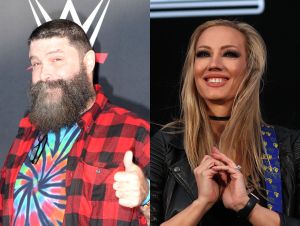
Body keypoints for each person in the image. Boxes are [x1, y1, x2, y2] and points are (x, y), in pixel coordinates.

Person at [0, 19, 150, 226]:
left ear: (88, 62)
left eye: (56, 59)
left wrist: (146, 197)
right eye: (36, 63)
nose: (44, 74)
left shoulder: (134, 131)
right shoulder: (28, 129)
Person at [151, 19, 300, 226]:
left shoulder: (289, 146)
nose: (214, 64)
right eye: (203, 54)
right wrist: (201, 203)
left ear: (250, 67)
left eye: (229, 53)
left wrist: (245, 206)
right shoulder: (167, 144)